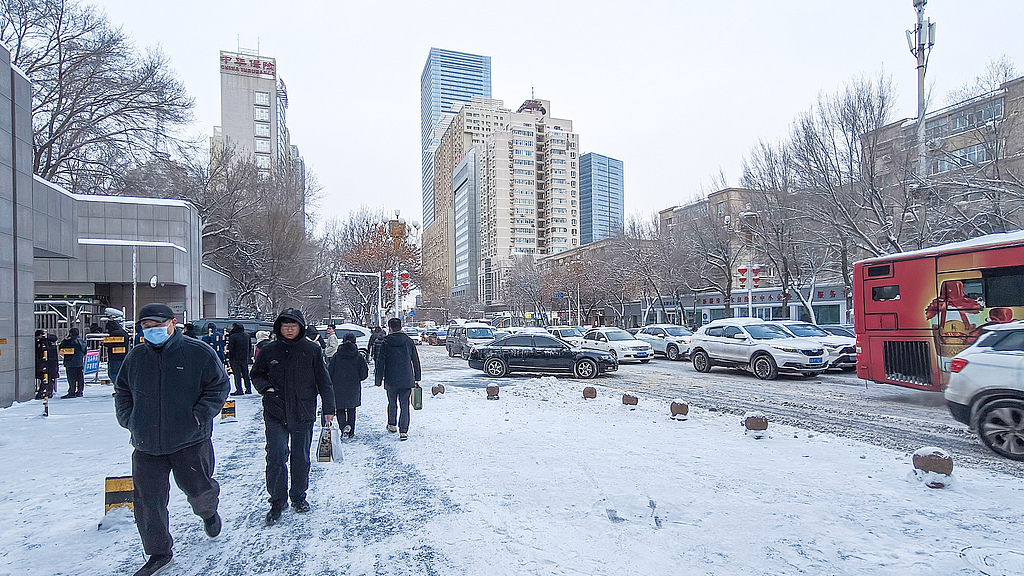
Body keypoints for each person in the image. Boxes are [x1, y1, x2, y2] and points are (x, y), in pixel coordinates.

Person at [113, 304, 229, 576]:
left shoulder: (197, 352)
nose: (151, 331)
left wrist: (199, 416)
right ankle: (158, 552)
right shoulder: (136, 357)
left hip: (189, 440)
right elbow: (123, 390)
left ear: (173, 323)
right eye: (146, 326)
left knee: (199, 490)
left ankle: (208, 513)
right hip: (146, 443)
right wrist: (129, 418)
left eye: (157, 325)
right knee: (147, 501)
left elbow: (219, 386)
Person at [250, 309, 335, 526]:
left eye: (293, 325)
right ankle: (277, 501)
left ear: (300, 328)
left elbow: (324, 381)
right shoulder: (269, 350)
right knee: (276, 456)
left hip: (303, 411)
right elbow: (257, 374)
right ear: (279, 327)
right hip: (275, 411)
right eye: (285, 325)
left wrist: (329, 408)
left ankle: (298, 496)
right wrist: (266, 389)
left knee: (300, 457)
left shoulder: (312, 350)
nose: (289, 329)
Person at [374, 318, 421, 441]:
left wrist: (378, 379)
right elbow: (415, 360)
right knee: (405, 405)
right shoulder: (408, 341)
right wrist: (417, 377)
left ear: (390, 328)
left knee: (392, 402)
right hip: (406, 378)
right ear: (401, 327)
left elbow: (380, 362)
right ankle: (403, 431)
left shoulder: (386, 342)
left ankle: (392, 424)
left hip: (390, 378)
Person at [327, 333, 368, 438]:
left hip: (338, 386)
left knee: (339, 408)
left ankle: (343, 427)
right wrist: (357, 378)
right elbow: (364, 373)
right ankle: (351, 431)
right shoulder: (358, 356)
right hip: (353, 386)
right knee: (351, 409)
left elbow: (329, 371)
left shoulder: (337, 356)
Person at [59, 327, 88, 398]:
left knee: (71, 378)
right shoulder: (82, 341)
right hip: (79, 362)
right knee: (80, 377)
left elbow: (61, 349)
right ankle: (80, 391)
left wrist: (65, 339)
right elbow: (85, 352)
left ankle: (72, 391)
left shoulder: (68, 342)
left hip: (70, 362)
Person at [227, 323, 252, 395]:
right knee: (245, 374)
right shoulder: (247, 336)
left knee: (237, 375)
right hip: (244, 358)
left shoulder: (233, 337)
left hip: (235, 358)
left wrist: (229, 357)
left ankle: (239, 389)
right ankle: (248, 389)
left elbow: (231, 348)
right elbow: (249, 347)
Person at [104, 320, 131, 384]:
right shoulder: (124, 333)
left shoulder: (113, 333)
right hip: (123, 356)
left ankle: (118, 388)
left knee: (113, 374)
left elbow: (107, 344)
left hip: (114, 357)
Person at [42, 334, 59, 399]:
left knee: (46, 378)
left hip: (47, 363)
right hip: (52, 364)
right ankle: (49, 392)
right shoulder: (53, 346)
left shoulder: (44, 344)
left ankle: (46, 392)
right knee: (49, 379)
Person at [34, 330, 49, 400]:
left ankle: (41, 392)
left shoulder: (40, 342)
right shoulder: (37, 343)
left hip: (39, 363)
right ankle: (41, 392)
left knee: (44, 378)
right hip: (39, 363)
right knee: (43, 378)